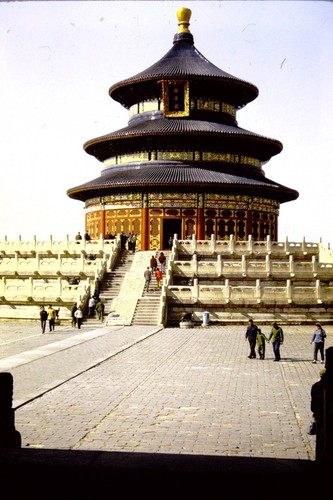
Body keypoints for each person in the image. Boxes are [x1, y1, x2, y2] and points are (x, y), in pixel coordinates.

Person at [310, 346, 333, 461]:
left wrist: (314, 411)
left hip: (323, 417)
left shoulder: (318, 386)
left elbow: (313, 404)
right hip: (324, 416)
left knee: (323, 439)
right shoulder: (319, 386)